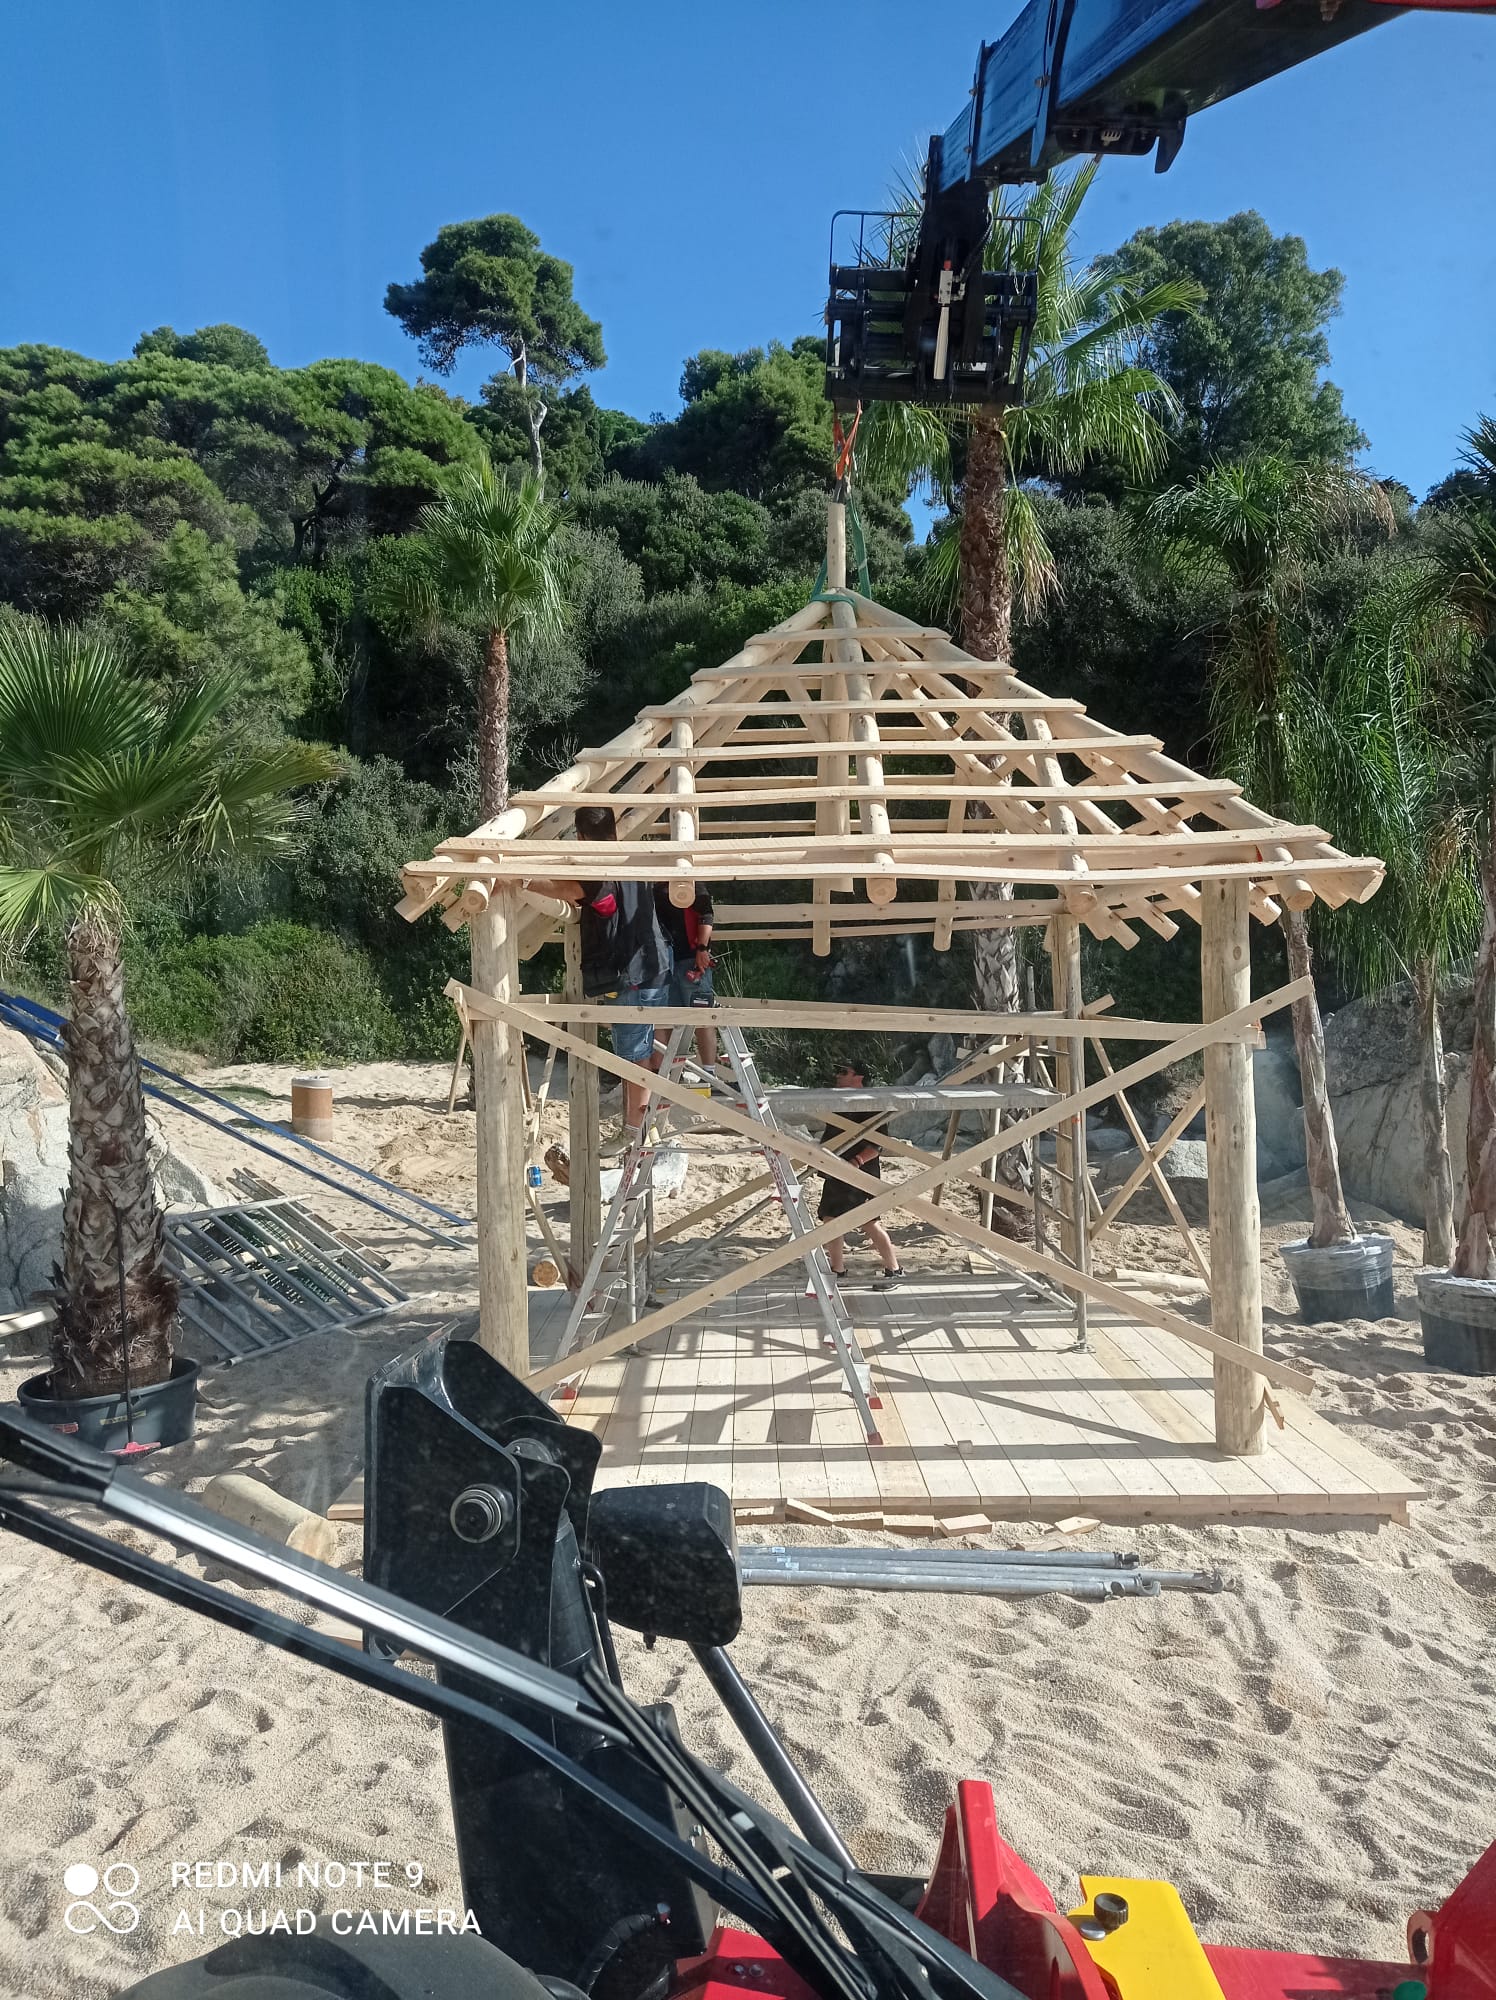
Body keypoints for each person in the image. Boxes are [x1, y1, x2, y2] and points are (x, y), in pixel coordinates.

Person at [526, 805, 672, 1140]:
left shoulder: (596, 869)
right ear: (615, 828)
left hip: (630, 975)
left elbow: (563, 889)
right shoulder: (632, 856)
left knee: (633, 1060)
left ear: (579, 835)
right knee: (648, 1050)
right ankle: (651, 1127)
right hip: (655, 965)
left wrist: (520, 878)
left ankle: (634, 1131)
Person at [817, 1055, 903, 1289]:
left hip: (860, 1173)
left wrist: (855, 1163)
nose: (838, 1075)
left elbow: (877, 1145)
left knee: (868, 1222)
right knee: (831, 1220)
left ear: (858, 1077)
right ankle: (838, 1271)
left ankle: (894, 1270)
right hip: (837, 1170)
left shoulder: (870, 1102)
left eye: (843, 1071)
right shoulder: (838, 1101)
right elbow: (830, 1136)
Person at [653, 882, 719, 1069]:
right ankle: (666, 1074)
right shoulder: (653, 885)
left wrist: (702, 949)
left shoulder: (689, 883)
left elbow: (706, 915)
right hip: (664, 960)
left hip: (692, 960)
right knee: (665, 1018)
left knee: (702, 1017)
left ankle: (709, 1073)